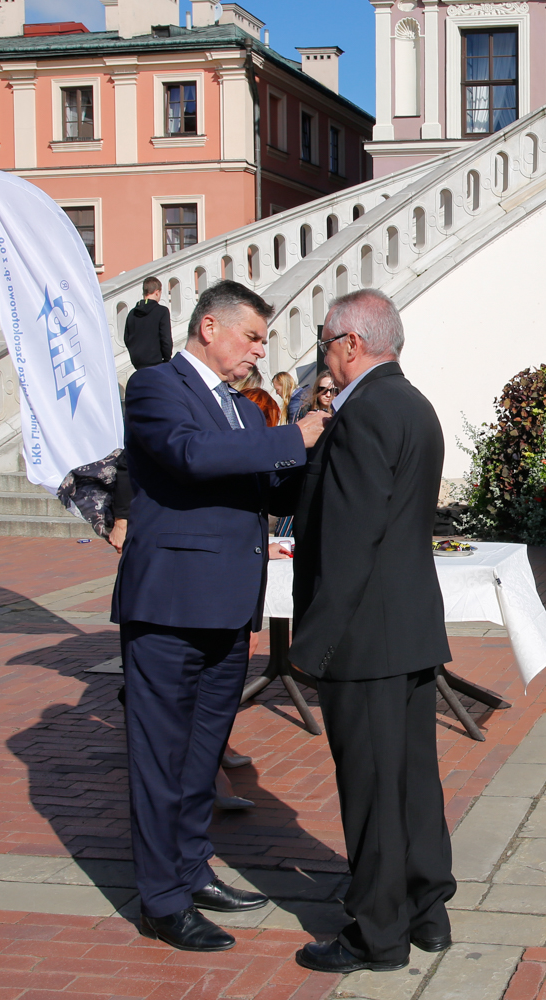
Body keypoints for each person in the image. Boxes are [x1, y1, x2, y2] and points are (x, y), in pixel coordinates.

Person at [112, 281, 330, 952]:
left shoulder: (241, 408)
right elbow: (189, 456)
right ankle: (161, 899)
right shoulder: (156, 387)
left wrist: (316, 446)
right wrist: (292, 434)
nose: (260, 350)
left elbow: (266, 481)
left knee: (201, 753)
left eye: (264, 340)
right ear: (210, 327)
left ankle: (191, 866)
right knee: (160, 755)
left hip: (228, 606)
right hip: (170, 605)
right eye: (252, 337)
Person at [289, 289, 455, 974]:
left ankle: (377, 933)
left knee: (372, 790)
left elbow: (352, 545)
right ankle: (426, 909)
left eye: (326, 342)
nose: (323, 357)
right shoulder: (415, 404)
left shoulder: (363, 416)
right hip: (410, 627)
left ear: (351, 344)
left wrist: (312, 645)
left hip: (366, 637)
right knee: (413, 780)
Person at [124, 277, 173, 370]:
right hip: (158, 364)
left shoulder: (132, 313)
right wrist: (167, 359)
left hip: (138, 364)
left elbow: (127, 338)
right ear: (157, 292)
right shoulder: (162, 311)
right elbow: (166, 338)